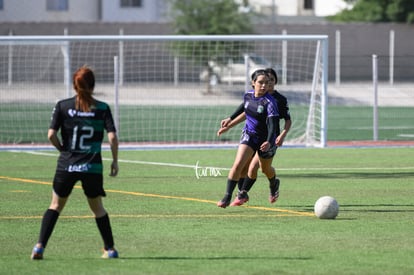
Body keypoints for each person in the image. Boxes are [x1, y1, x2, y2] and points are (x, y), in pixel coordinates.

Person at [31, 66, 119, 260]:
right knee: (97, 208)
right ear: (93, 86)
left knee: (55, 205)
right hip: (92, 166)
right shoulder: (102, 108)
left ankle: (39, 247)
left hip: (67, 165)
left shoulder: (62, 106)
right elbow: (112, 138)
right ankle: (110, 249)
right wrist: (114, 161)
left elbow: (51, 135)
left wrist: (63, 150)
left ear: (74, 85)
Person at [219, 68, 291, 206]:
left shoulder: (274, 102)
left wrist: (276, 138)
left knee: (262, 169)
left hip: (268, 140)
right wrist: (230, 121)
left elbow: (275, 123)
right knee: (239, 164)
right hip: (250, 135)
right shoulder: (249, 95)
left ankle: (273, 183)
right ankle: (231, 196)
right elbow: (246, 109)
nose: (266, 84)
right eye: (262, 82)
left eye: (269, 81)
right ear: (254, 83)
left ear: (275, 82)